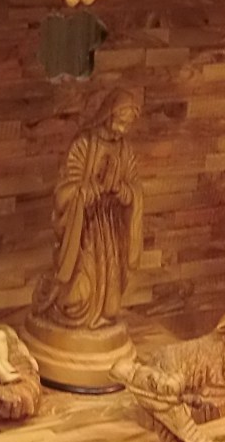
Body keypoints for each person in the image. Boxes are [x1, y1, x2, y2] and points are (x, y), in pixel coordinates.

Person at [34, 88, 145, 330]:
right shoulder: (84, 144)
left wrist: (122, 191)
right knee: (76, 300)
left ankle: (101, 316)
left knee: (111, 307)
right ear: (108, 115)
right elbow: (64, 189)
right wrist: (86, 191)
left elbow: (135, 188)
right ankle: (53, 299)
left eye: (127, 125)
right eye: (120, 122)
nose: (122, 130)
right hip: (84, 231)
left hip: (110, 232)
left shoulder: (125, 149)